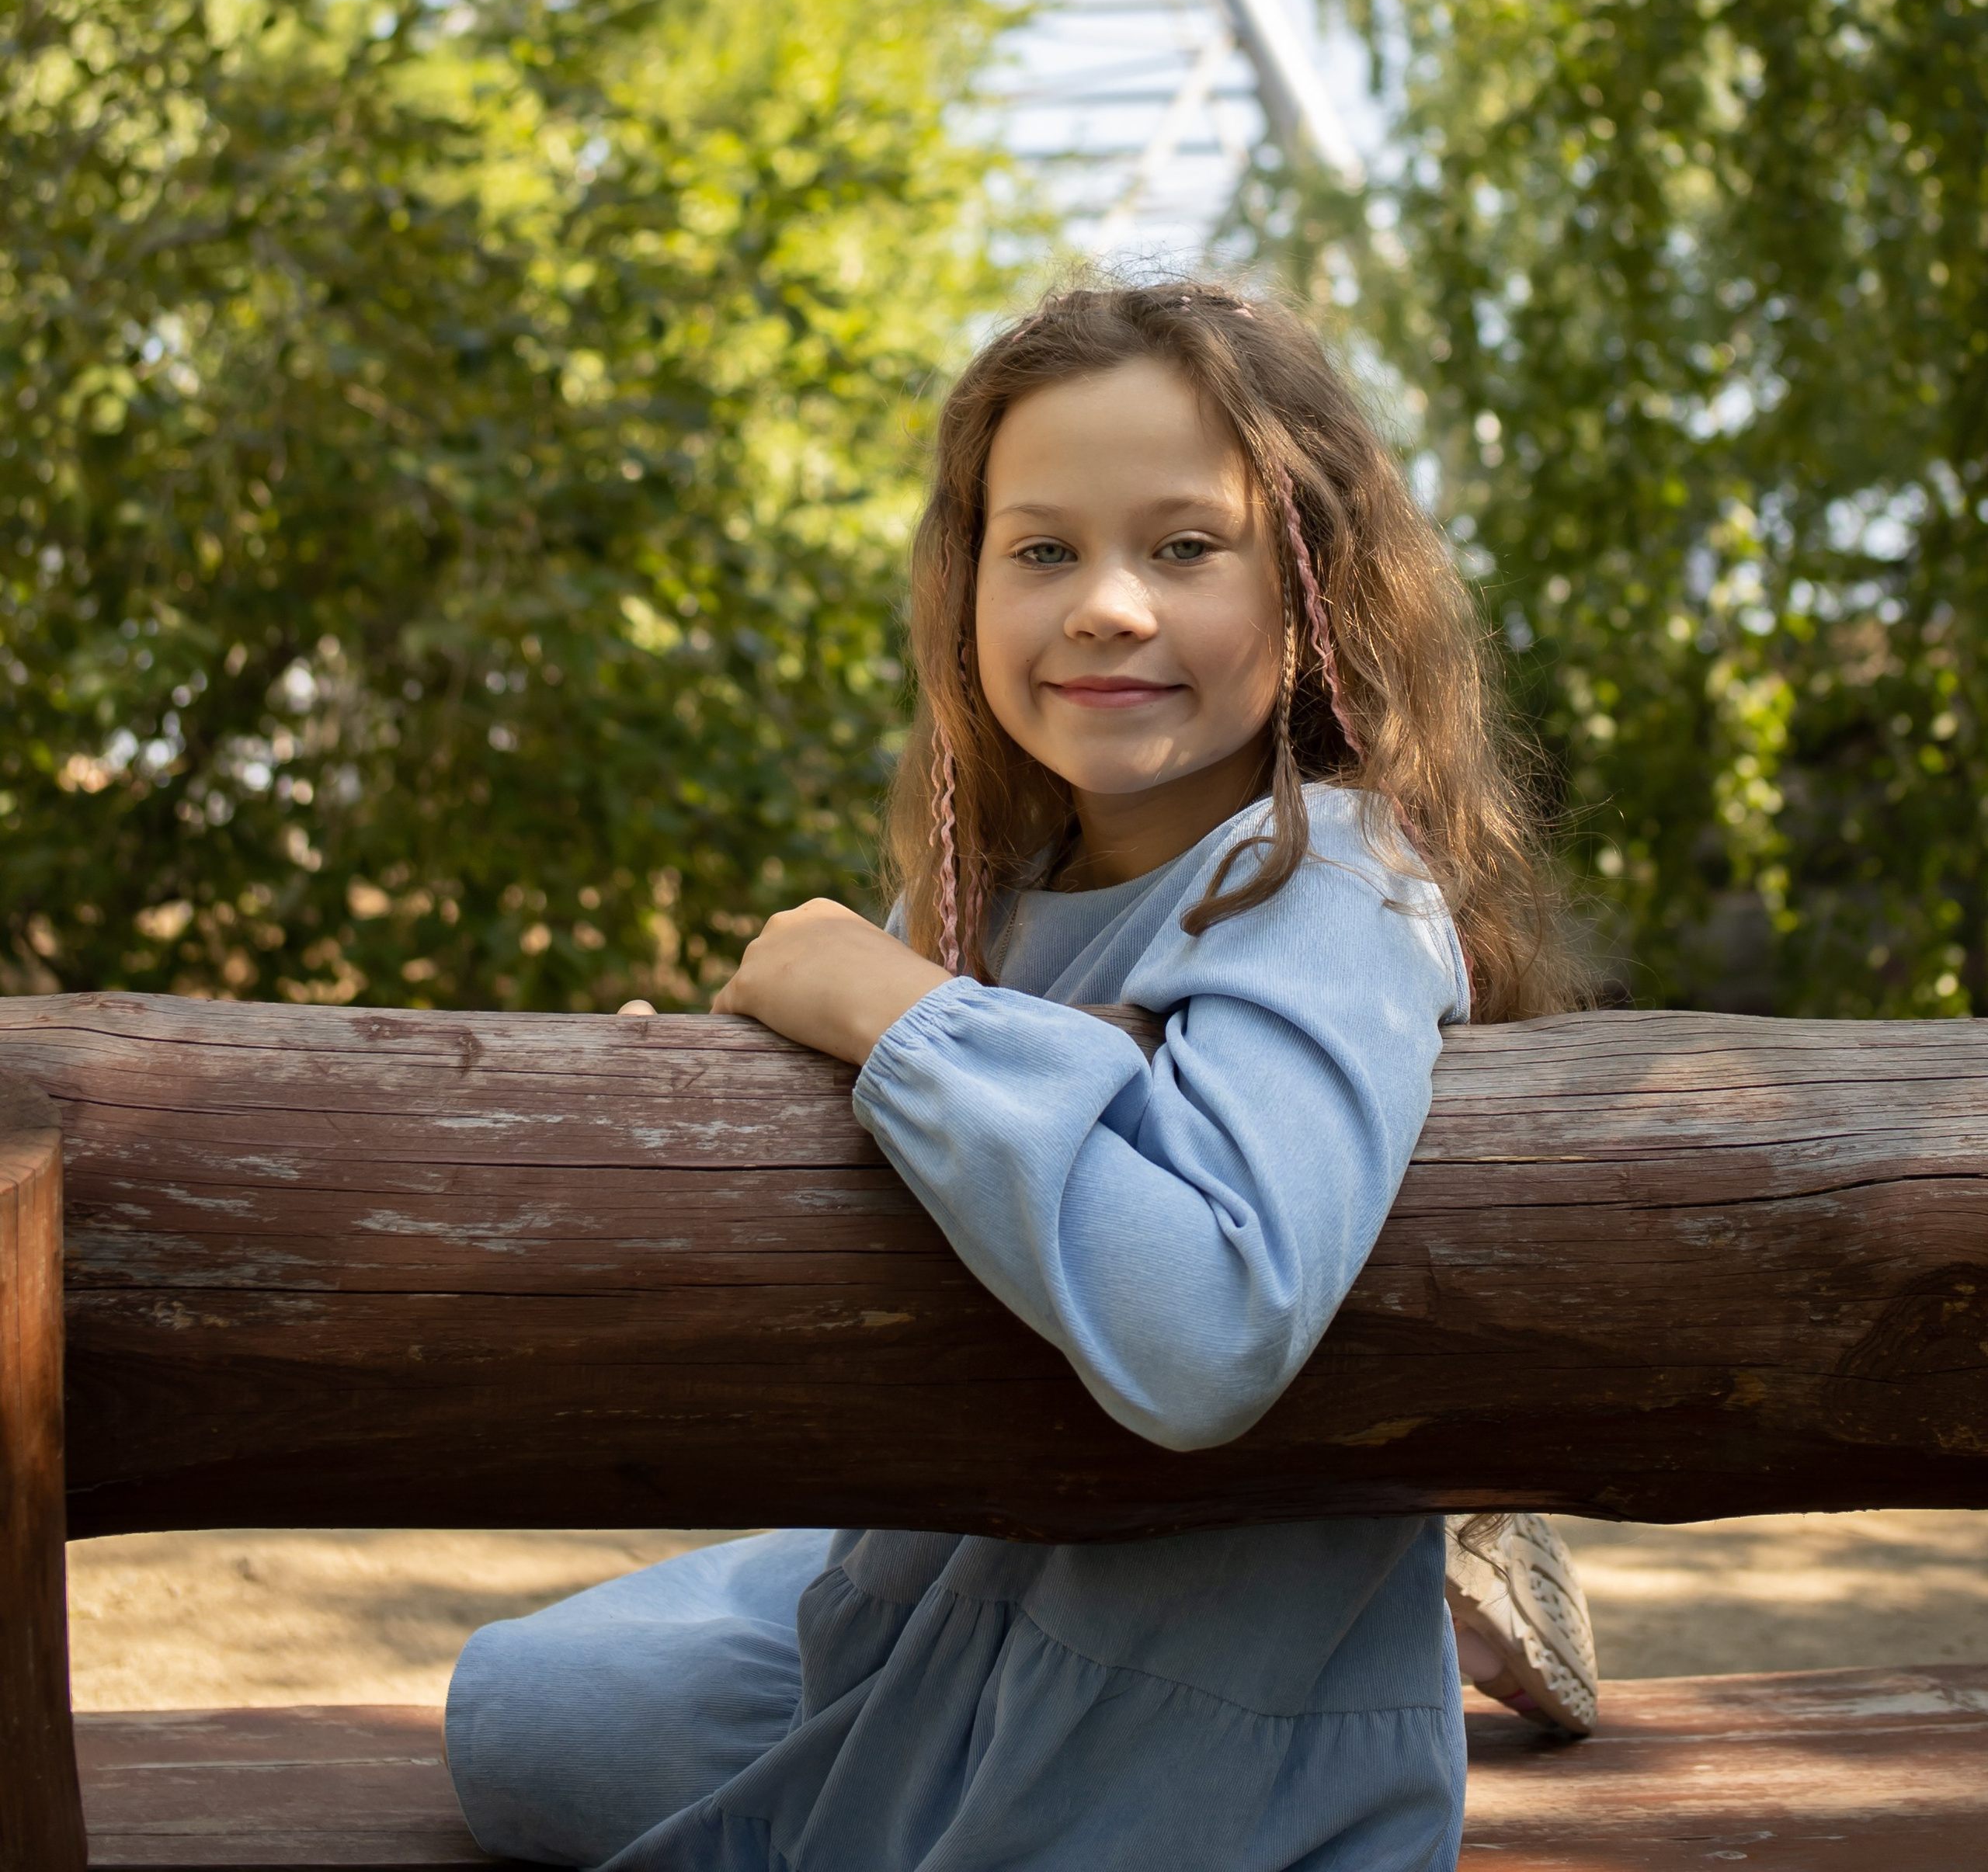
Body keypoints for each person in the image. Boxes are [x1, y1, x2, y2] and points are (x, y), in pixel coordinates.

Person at [445, 279, 1593, 1872]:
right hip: (964, 1570)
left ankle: (1415, 1573)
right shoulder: (990, 886)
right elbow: (916, 1134)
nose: (1105, 604)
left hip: (1186, 1673)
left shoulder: (1322, 885)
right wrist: (731, 1112)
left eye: (1182, 548)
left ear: (1312, 585)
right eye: (1042, 547)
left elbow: (1202, 1319)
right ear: (966, 580)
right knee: (518, 1708)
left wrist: (893, 1013)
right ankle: (1445, 1562)